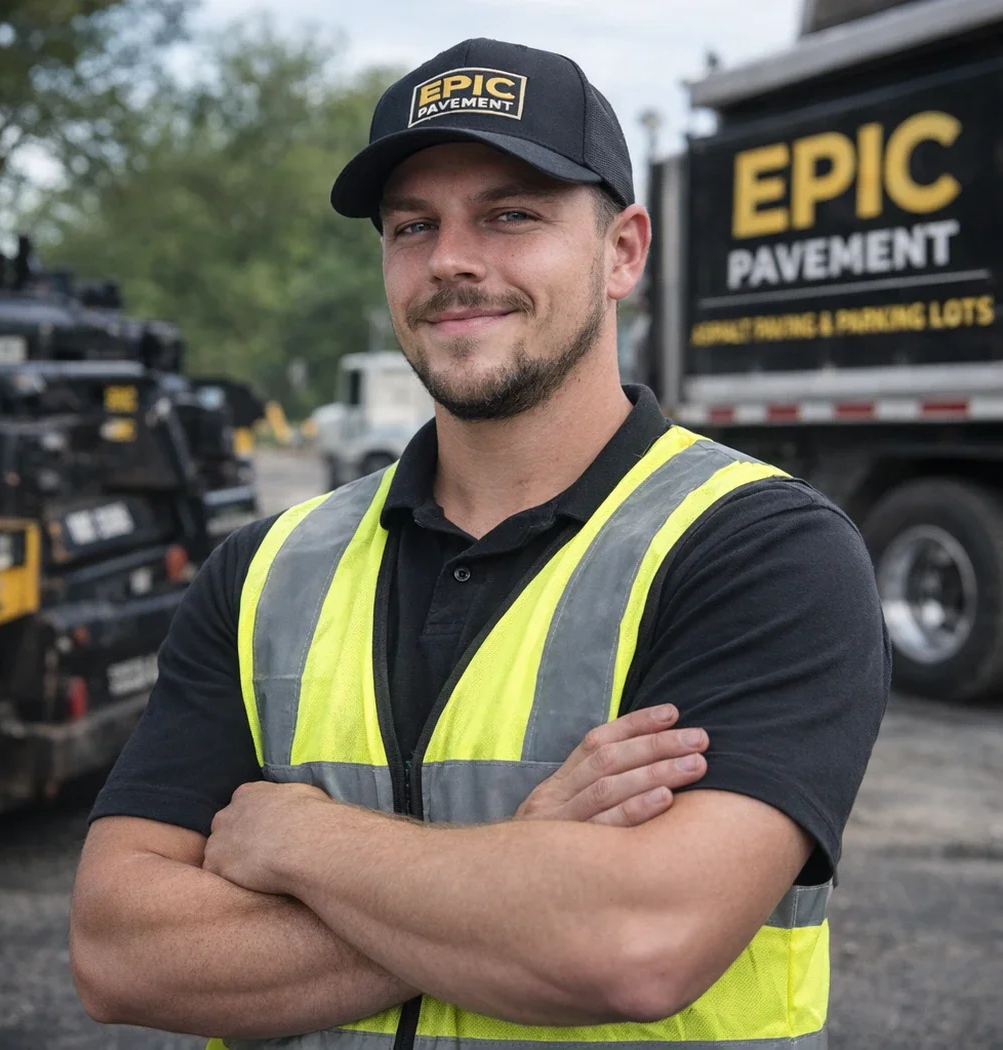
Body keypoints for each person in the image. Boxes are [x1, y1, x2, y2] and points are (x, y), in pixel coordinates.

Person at [70, 37, 890, 1050]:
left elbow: (637, 943)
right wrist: (520, 869)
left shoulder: (759, 551)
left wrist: (303, 839)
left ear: (624, 250)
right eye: (413, 226)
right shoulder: (264, 570)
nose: (452, 259)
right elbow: (120, 952)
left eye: (511, 214)